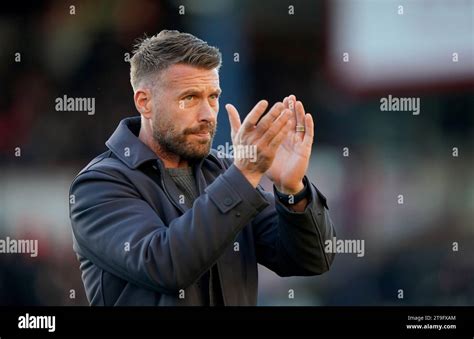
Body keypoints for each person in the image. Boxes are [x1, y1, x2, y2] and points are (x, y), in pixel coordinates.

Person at [69, 30, 335, 306]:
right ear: (144, 103)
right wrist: (246, 173)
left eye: (213, 97)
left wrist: (292, 190)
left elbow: (313, 260)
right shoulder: (99, 185)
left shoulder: (224, 175)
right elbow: (166, 265)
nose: (208, 114)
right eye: (190, 98)